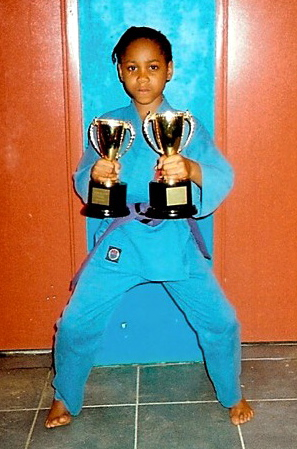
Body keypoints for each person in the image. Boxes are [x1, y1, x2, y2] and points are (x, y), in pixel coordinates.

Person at [45, 26, 254, 428]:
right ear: (120, 72)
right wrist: (98, 174)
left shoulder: (185, 126)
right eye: (132, 67)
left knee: (222, 321)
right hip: (121, 240)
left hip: (174, 239)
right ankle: (64, 396)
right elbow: (81, 178)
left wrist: (190, 167)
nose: (143, 77)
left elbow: (222, 174)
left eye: (153, 66)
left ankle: (231, 392)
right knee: (74, 322)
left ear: (169, 70)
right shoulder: (108, 125)